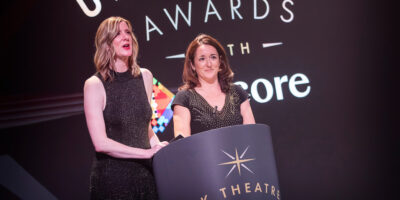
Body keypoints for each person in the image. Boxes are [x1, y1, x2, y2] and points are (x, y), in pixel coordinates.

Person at [83, 16, 167, 199]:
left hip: (146, 177)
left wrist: (158, 148)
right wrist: (146, 153)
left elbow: (143, 126)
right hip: (113, 181)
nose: (125, 37)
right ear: (106, 44)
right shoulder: (94, 85)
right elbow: (101, 143)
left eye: (127, 32)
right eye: (118, 34)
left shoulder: (145, 76)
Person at [172, 34, 255, 137]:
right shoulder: (184, 98)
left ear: (220, 61)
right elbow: (183, 145)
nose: (209, 64)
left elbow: (253, 136)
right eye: (202, 59)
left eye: (213, 57)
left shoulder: (237, 92)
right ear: (192, 65)